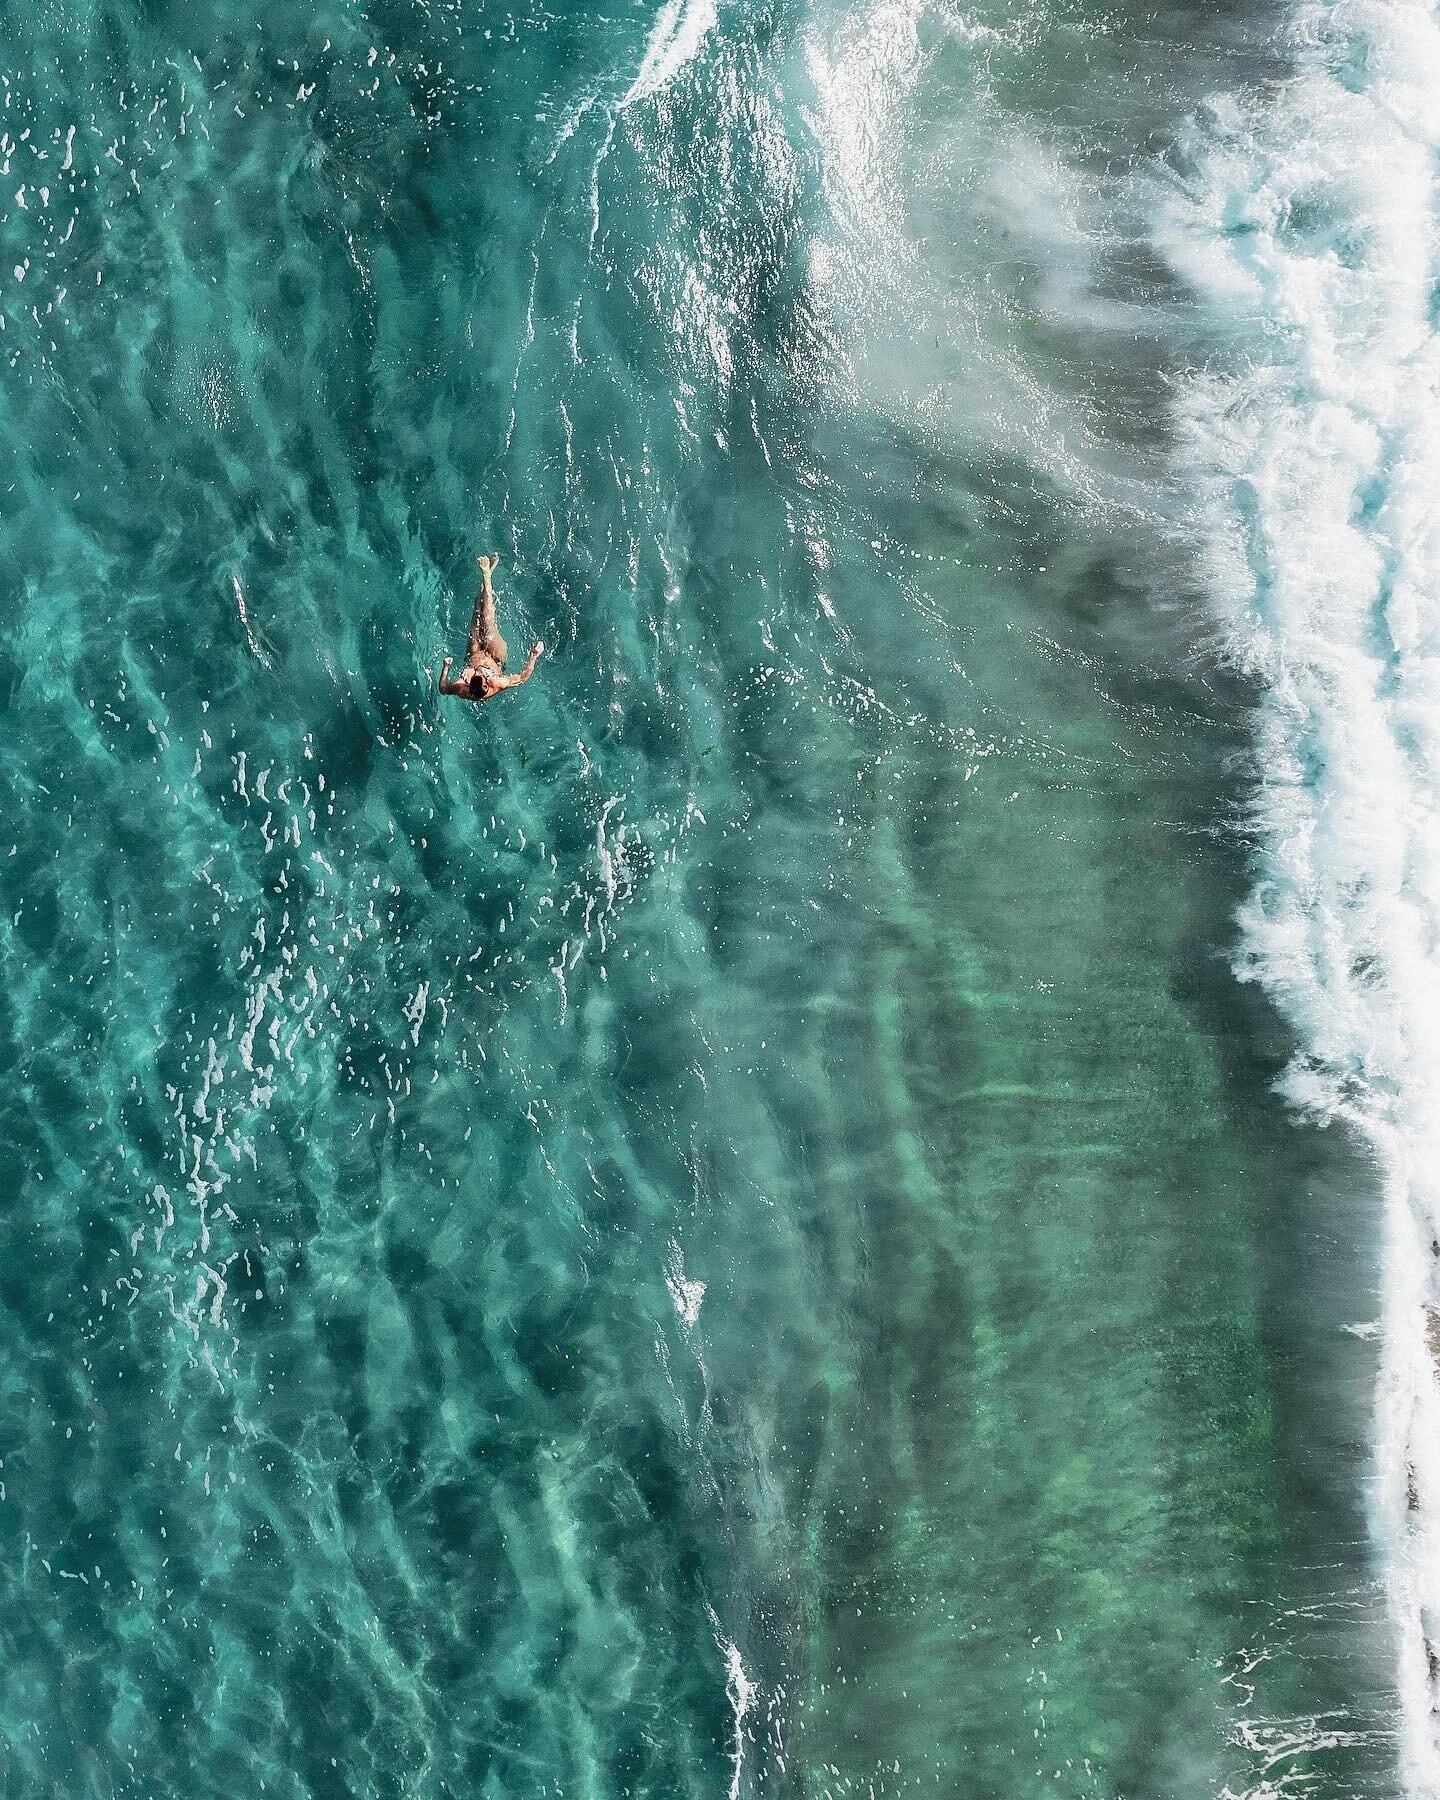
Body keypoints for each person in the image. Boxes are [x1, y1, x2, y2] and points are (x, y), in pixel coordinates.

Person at [439, 554, 543, 703]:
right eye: (482, 675)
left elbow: (443, 689)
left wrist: (446, 667)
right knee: (488, 619)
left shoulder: (461, 688)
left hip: (474, 654)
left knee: (476, 611)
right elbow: (521, 678)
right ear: (487, 683)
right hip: (496, 657)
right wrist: (533, 655)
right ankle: (487, 574)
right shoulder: (497, 683)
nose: (481, 672)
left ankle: (487, 574)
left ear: (468, 683)